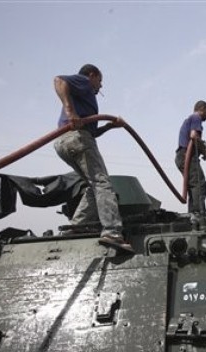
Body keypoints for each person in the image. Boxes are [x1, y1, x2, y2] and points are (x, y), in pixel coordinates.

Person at [53, 64, 134, 254]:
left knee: (93, 185)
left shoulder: (84, 99)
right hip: (77, 137)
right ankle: (112, 232)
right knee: (102, 183)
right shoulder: (84, 82)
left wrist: (109, 127)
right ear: (93, 75)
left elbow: (93, 132)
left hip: (63, 142)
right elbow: (59, 80)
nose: (100, 87)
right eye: (100, 81)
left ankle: (76, 226)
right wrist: (70, 112)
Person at [175, 100, 206, 225]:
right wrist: (205, 151)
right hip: (186, 157)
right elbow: (194, 137)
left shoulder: (189, 119)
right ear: (202, 109)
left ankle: (193, 216)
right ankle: (198, 216)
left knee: (193, 187)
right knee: (199, 185)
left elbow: (195, 141)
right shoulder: (196, 117)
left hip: (184, 156)